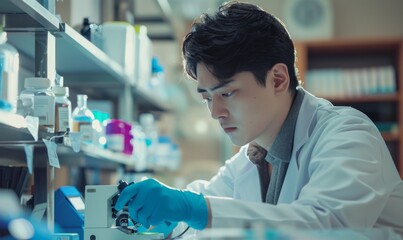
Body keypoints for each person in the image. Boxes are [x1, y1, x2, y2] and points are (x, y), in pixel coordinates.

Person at [115, 1, 403, 238]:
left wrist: (192, 208)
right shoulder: (252, 157)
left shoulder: (349, 135)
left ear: (278, 78)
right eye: (207, 98)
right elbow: (207, 205)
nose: (216, 112)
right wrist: (168, 217)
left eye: (227, 92)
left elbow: (322, 225)